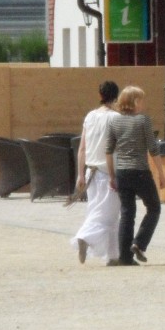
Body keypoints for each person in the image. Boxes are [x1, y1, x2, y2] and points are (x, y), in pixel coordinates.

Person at [106, 85, 165, 266]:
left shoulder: (114, 122)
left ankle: (125, 257)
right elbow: (153, 148)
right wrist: (161, 173)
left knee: (127, 213)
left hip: (122, 172)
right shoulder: (143, 121)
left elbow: (108, 151)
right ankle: (139, 243)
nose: (143, 103)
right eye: (141, 99)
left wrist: (112, 175)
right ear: (134, 102)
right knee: (154, 208)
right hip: (140, 171)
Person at [71, 81, 122, 266]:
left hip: (91, 171)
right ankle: (85, 236)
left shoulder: (90, 116)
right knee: (109, 215)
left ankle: (113, 255)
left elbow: (82, 148)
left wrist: (80, 174)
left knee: (98, 211)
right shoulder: (117, 118)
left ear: (100, 95)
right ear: (116, 97)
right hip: (109, 172)